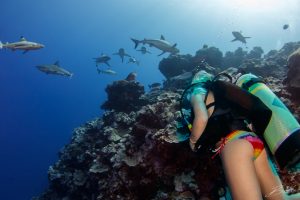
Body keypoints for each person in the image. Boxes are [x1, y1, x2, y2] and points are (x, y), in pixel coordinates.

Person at [182, 70, 284, 200]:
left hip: (234, 145)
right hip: (253, 140)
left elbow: (201, 119)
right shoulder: (225, 93)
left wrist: (192, 142)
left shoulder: (198, 92)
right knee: (278, 198)